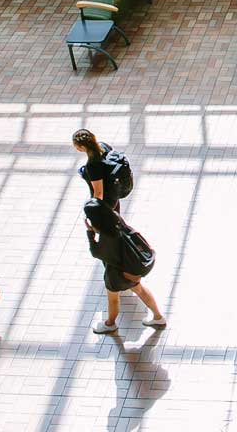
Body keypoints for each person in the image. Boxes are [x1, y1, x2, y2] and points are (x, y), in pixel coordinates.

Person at [83, 198, 165, 334]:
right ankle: (158, 317)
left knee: (113, 299)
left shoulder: (107, 237)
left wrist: (90, 234)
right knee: (140, 290)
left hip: (118, 274)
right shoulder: (116, 219)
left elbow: (96, 252)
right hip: (132, 269)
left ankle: (110, 324)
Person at [73, 128, 121, 211]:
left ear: (82, 147)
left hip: (106, 202)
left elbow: (99, 193)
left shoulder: (92, 165)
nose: (76, 148)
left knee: (109, 222)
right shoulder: (103, 146)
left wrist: (94, 211)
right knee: (117, 219)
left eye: (76, 146)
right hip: (114, 192)